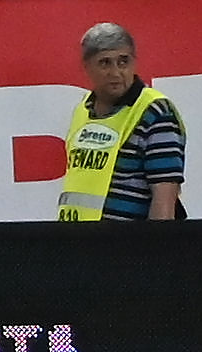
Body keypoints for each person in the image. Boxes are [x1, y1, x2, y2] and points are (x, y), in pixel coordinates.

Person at [55, 19, 183, 223]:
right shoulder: (83, 110)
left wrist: (158, 250)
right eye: (105, 62)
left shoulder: (154, 112)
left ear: (134, 62)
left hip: (126, 248)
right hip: (77, 243)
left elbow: (164, 197)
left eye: (123, 61)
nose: (115, 72)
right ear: (86, 67)